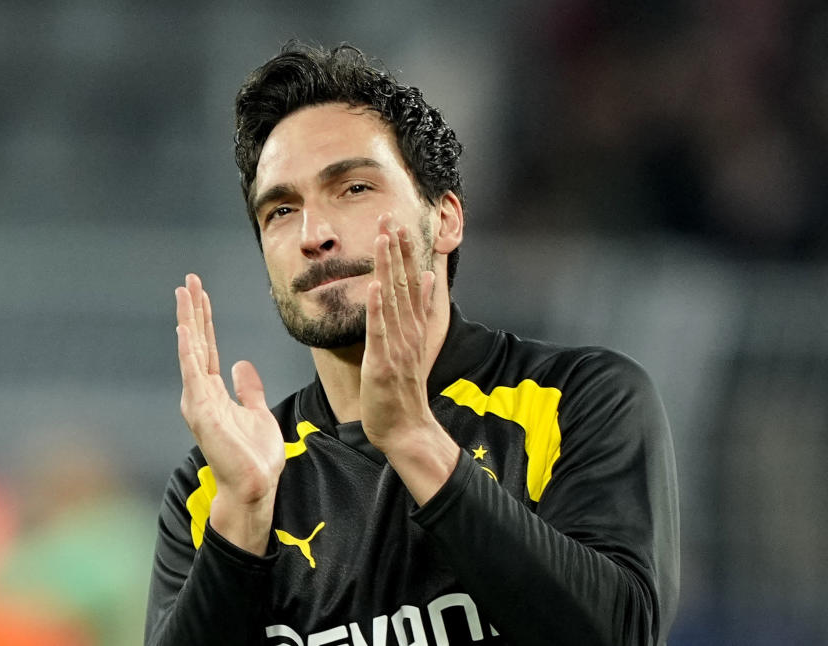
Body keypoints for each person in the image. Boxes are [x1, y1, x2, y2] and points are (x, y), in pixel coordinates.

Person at [144, 42, 679, 646]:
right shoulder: (217, 486)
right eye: (281, 210)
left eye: (353, 189)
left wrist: (414, 439)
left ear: (445, 218)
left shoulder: (577, 401)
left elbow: (622, 634)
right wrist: (242, 514)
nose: (313, 234)